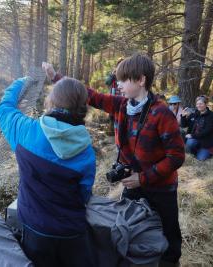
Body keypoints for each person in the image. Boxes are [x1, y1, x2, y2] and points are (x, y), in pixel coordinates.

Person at [43, 54, 185, 267]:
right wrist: (57, 78)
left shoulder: (162, 114)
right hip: (132, 181)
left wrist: (143, 178)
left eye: (123, 79)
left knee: (169, 233)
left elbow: (176, 157)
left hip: (161, 187)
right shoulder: (121, 106)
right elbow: (90, 96)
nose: (117, 84)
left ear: (141, 80)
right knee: (129, 224)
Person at [0, 77, 96, 267]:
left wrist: (20, 82)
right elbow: (84, 193)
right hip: (72, 233)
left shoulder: (25, 131)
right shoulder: (86, 151)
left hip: (35, 230)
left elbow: (4, 109)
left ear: (51, 101)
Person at [180, 95, 213, 161]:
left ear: (206, 104)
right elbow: (183, 125)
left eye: (201, 103)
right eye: (197, 104)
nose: (198, 105)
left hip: (205, 142)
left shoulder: (211, 116)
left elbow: (207, 131)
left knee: (200, 159)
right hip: (194, 139)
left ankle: (203, 151)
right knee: (190, 142)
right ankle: (193, 151)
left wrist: (192, 135)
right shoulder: (195, 114)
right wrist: (183, 116)